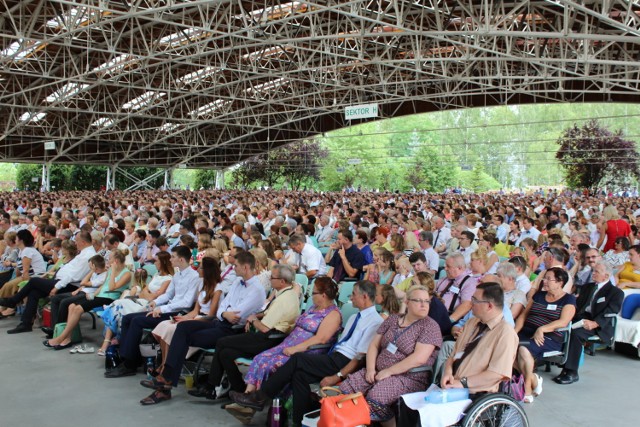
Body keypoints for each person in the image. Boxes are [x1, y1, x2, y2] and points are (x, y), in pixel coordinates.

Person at [229, 280, 383, 426]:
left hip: (343, 361)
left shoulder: (375, 322)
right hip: (333, 356)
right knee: (299, 376)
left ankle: (260, 397)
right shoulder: (356, 317)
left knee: (298, 359)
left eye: (354, 294)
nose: (351, 297)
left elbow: (360, 358)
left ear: (364, 297)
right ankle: (299, 420)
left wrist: (338, 376)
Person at [135, 251, 265, 404]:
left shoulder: (256, 289)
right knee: (182, 327)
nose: (232, 268)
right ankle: (166, 378)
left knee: (185, 336)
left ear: (245, 267)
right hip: (219, 322)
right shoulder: (237, 282)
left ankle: (166, 382)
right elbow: (222, 309)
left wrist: (225, 313)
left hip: (231, 330)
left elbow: (238, 315)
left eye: (235, 265)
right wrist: (225, 313)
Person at [189, 264, 305, 401]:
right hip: (270, 335)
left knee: (222, 342)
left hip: (269, 339)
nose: (269, 279)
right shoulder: (288, 293)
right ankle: (239, 389)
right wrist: (257, 316)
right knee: (226, 353)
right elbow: (267, 314)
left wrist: (253, 319)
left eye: (272, 277)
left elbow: (265, 328)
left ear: (282, 281)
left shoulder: (283, 300)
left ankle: (211, 386)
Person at [338, 285, 443, 425]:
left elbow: (419, 358)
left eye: (427, 301)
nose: (424, 305)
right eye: (418, 300)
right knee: (346, 389)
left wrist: (389, 371)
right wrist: (370, 369)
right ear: (407, 302)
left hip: (409, 377)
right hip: (378, 371)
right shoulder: (393, 319)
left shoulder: (430, 326)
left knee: (376, 398)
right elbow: (374, 345)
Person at [104, 245, 201, 378]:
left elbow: (187, 302)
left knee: (137, 321)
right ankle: (130, 357)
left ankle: (129, 364)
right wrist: (155, 303)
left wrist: (162, 308)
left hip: (179, 313)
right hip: (168, 308)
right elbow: (168, 295)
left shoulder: (194, 277)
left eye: (173, 257)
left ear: (182, 260)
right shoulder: (177, 275)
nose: (170, 260)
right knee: (128, 318)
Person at [0, 230, 95, 334]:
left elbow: (74, 276)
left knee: (34, 281)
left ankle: (12, 301)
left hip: (68, 285)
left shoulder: (87, 255)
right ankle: (25, 323)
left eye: (76, 241)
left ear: (83, 242)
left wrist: (57, 287)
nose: (75, 243)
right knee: (34, 293)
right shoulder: (84, 253)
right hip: (61, 281)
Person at [440, 282, 519, 395]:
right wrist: (448, 371)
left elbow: (496, 373)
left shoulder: (505, 333)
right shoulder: (472, 323)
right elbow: (455, 354)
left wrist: (462, 383)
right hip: (453, 386)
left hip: (475, 393)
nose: (471, 303)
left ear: (489, 306)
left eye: (475, 300)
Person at [44, 249, 132, 349]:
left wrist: (112, 272)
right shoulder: (111, 270)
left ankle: (61, 338)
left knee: (77, 308)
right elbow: (103, 286)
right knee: (72, 305)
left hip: (110, 298)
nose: (107, 260)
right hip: (100, 295)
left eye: (110, 258)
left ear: (115, 261)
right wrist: (94, 294)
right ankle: (67, 338)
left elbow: (112, 287)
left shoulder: (126, 273)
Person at [555, 262, 624, 385]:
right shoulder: (588, 287)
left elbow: (611, 311)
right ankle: (553, 359)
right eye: (594, 271)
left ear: (606, 275)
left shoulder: (615, 292)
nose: (593, 273)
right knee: (558, 325)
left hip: (598, 323)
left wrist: (595, 323)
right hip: (581, 317)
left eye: (597, 272)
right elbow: (578, 305)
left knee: (575, 334)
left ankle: (571, 371)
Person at [150, 256, 222, 373]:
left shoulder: (218, 289)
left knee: (172, 329)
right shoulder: (202, 285)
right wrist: (184, 317)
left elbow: (211, 315)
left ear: (207, 271)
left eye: (200, 268)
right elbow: (195, 310)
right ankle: (164, 363)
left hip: (206, 320)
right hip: (197, 316)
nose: (197, 269)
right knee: (165, 325)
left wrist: (189, 320)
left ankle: (166, 368)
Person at [515, 267, 576, 403]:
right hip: (526, 333)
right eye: (544, 278)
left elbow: (564, 321)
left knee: (523, 349)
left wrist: (542, 329)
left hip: (549, 337)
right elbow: (523, 315)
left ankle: (527, 389)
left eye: (549, 279)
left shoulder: (568, 299)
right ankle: (533, 380)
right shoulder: (538, 295)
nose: (545, 281)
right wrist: (514, 333)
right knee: (506, 347)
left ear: (560, 282)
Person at [98, 251, 174, 354]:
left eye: (156, 261)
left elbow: (155, 297)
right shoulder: (156, 275)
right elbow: (144, 292)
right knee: (117, 304)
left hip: (151, 305)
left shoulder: (169, 279)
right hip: (142, 300)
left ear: (162, 263)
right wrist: (149, 294)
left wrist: (148, 293)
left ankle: (109, 342)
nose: (154, 263)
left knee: (118, 307)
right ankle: (112, 340)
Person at [434, 253, 479, 323]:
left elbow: (467, 305)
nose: (445, 269)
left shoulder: (469, 283)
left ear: (459, 268)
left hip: (448, 318)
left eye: (448, 266)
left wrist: (448, 321)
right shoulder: (444, 279)